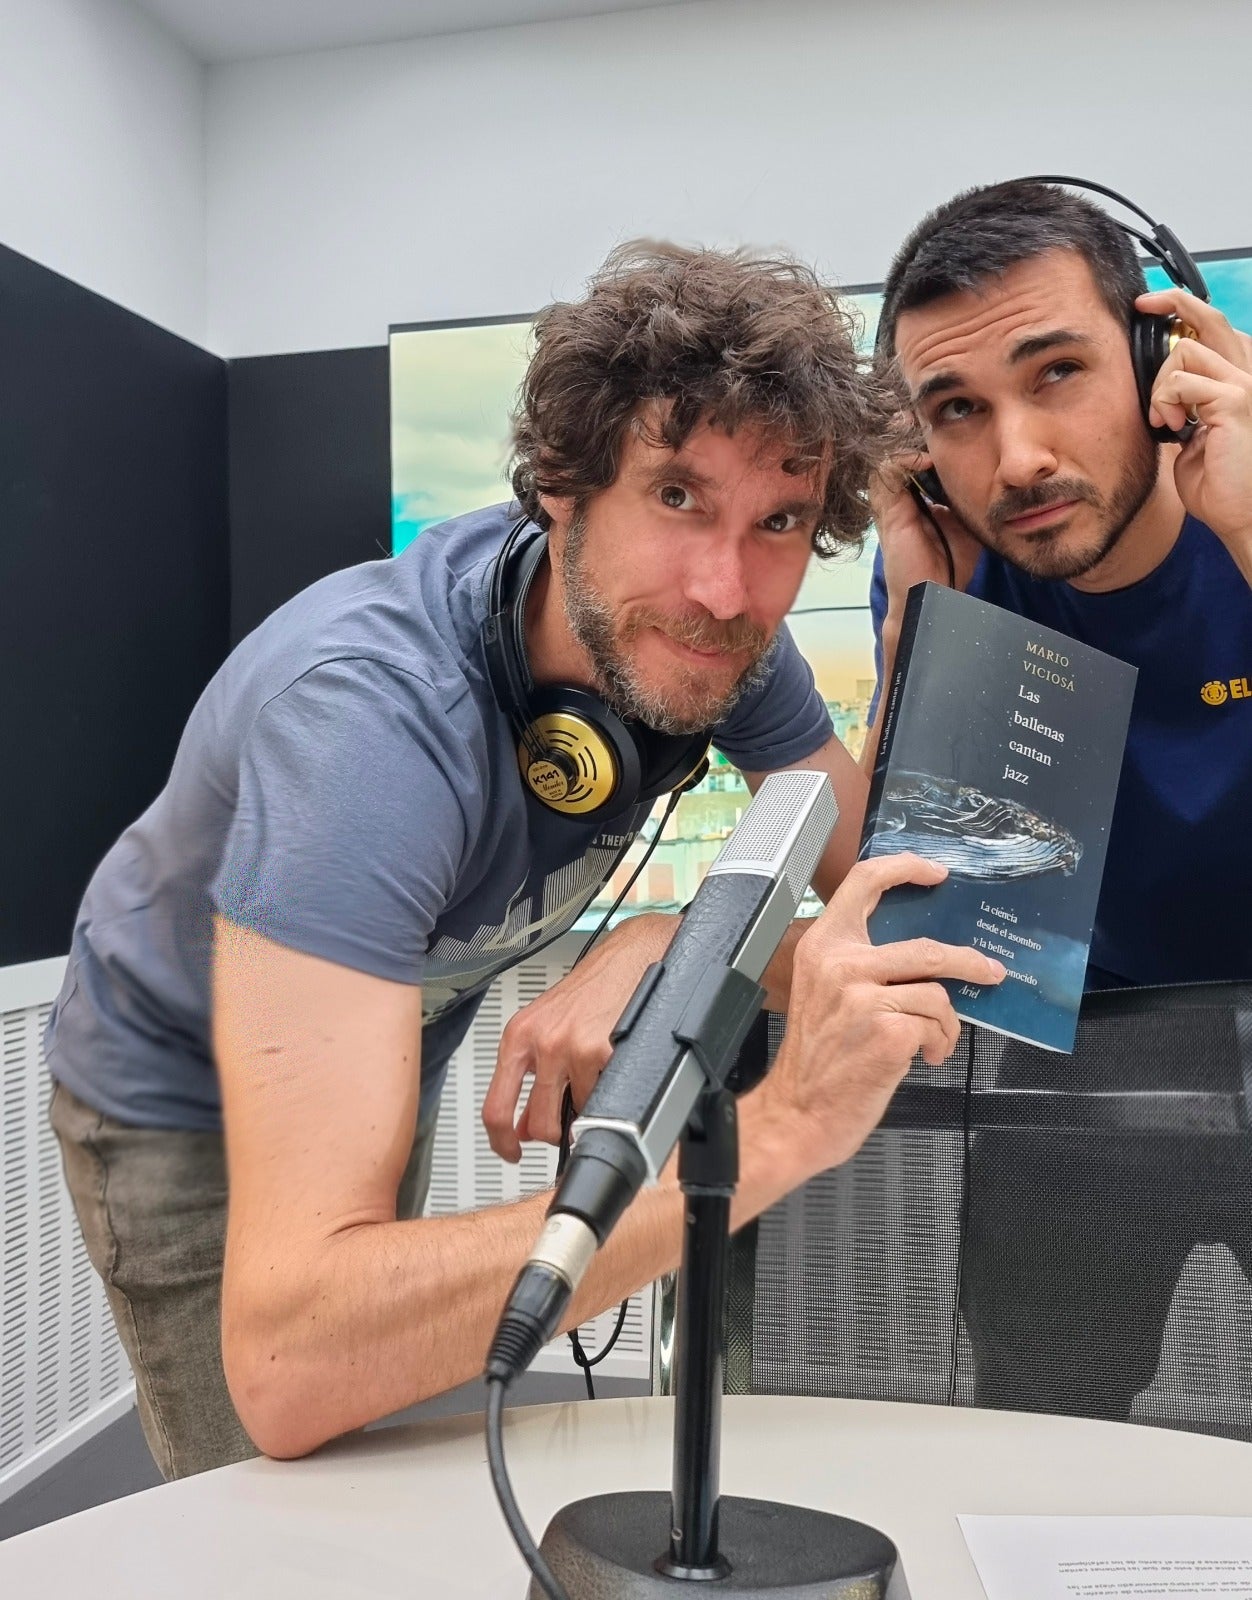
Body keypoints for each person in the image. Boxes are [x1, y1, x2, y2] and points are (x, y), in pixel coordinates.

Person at [46, 240, 1004, 1478]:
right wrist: (780, 1133)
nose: (725, 590)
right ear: (561, 483)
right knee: (279, 1470)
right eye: (675, 496)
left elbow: (897, 909)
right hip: (171, 1091)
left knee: (370, 1434)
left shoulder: (726, 648)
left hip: (378, 1038)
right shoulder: (365, 727)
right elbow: (292, 1358)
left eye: (776, 519)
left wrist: (673, 945)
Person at [867, 177, 1252, 1419]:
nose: (1017, 457)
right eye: (958, 410)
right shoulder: (954, 571)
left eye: (1057, 374)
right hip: (1086, 1041)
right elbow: (943, 911)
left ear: (1158, 356)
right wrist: (921, 642)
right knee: (1039, 1418)